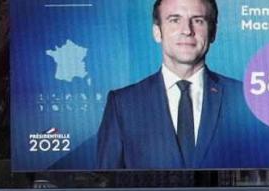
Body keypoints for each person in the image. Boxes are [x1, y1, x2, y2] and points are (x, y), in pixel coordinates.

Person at [96, 0, 248, 169]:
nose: (187, 30)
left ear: (213, 32)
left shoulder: (245, 99)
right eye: (175, 20)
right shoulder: (122, 104)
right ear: (157, 32)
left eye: (198, 20)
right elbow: (106, 188)